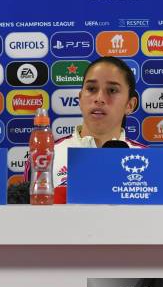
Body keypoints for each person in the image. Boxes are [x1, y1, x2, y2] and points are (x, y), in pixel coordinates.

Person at [20, 56, 144, 195]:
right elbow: (29, 215)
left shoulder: (149, 159)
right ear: (80, 99)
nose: (99, 98)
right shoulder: (44, 158)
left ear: (130, 105)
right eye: (91, 89)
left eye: (112, 90)